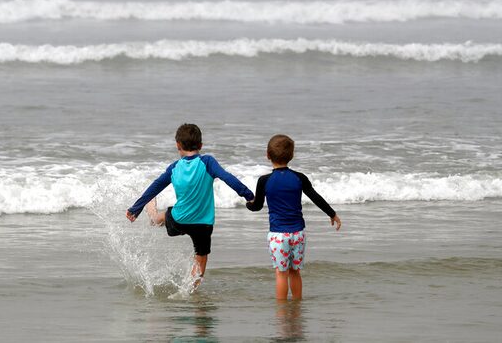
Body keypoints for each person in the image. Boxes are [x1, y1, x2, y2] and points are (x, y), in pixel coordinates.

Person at [126, 123, 255, 285]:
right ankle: (191, 291)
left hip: (179, 219)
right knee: (201, 258)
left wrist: (136, 209)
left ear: (178, 145)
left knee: (165, 215)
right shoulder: (207, 162)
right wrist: (249, 196)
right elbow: (228, 178)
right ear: (200, 145)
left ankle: (152, 215)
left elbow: (156, 186)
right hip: (203, 223)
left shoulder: (174, 168)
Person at [246, 134, 341, 300]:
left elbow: (257, 207)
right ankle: (297, 305)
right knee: (295, 272)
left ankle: (282, 310)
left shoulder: (264, 181)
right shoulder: (300, 178)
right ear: (292, 156)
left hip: (278, 235)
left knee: (281, 273)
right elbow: (315, 197)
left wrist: (249, 203)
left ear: (267, 155)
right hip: (298, 234)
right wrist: (332, 214)